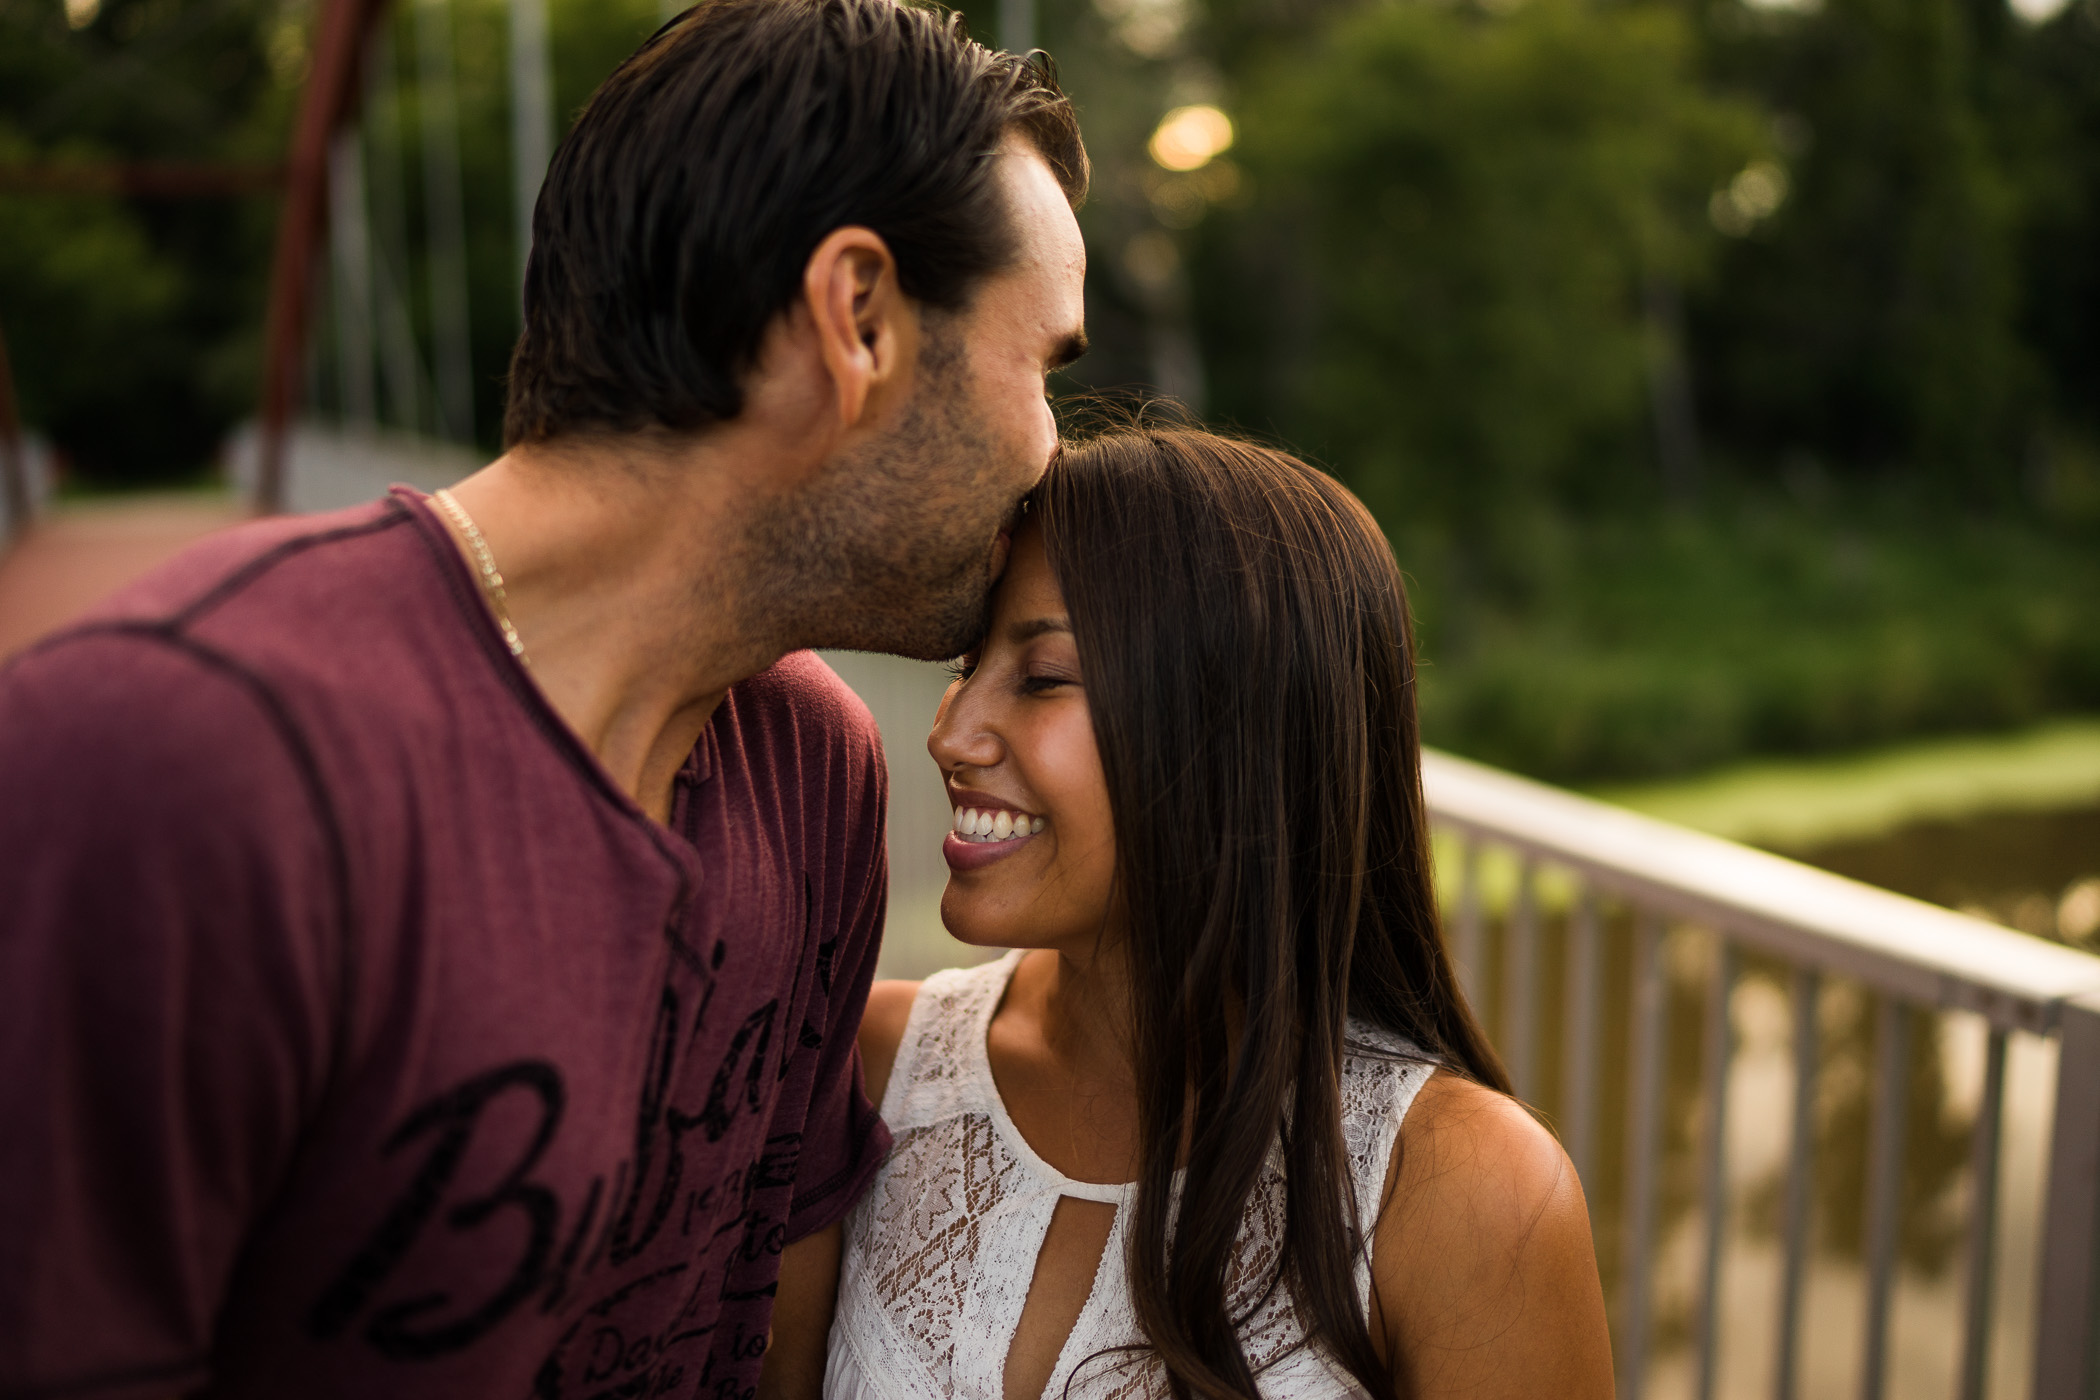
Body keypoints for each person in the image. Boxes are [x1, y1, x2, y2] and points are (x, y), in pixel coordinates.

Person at [0, 1, 1087, 1396]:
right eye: (1045, 366)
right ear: (858, 316)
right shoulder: (174, 761)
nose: (1051, 456)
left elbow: (760, 1305)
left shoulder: (811, 768)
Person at [826, 427, 1614, 1400]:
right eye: (964, 665)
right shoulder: (867, 1067)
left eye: (1042, 676)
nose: (949, 731)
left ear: (1230, 733)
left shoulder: (1467, 1195)